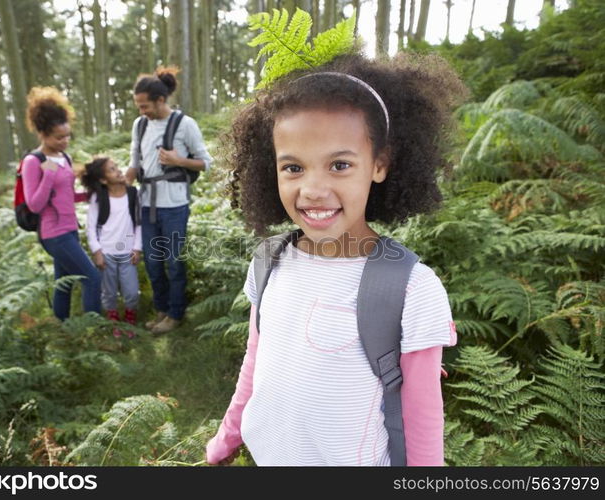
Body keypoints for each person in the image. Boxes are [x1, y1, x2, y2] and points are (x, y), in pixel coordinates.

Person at [205, 52, 466, 466]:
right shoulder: (269, 261)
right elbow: (256, 362)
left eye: (339, 165)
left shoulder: (411, 288)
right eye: (293, 167)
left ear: (379, 164)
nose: (312, 189)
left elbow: (423, 421)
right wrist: (228, 435)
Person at [125, 67, 213, 334]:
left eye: (145, 106)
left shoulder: (184, 124)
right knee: (152, 262)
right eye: (139, 107)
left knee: (173, 261)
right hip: (147, 204)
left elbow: (206, 163)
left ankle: (176, 314)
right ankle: (161, 310)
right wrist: (123, 178)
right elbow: (134, 162)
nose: (142, 111)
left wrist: (179, 161)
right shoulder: (139, 125)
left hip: (174, 206)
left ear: (160, 100)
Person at [22, 86, 101, 321]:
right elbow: (34, 205)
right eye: (59, 137)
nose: (65, 141)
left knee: (63, 284)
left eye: (67, 136)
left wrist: (89, 196)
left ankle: (61, 330)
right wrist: (47, 174)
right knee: (92, 278)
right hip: (53, 234)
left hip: (70, 229)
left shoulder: (64, 156)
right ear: (43, 134)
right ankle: (95, 332)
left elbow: (65, 195)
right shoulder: (32, 162)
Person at [82, 156, 142, 338]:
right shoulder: (98, 198)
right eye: (112, 169)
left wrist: (137, 248)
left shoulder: (133, 193)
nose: (118, 171)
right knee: (108, 293)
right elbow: (90, 227)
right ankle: (113, 319)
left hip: (128, 253)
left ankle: (130, 318)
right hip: (106, 253)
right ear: (102, 179)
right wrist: (97, 251)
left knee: (131, 292)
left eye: (117, 167)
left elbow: (139, 223)